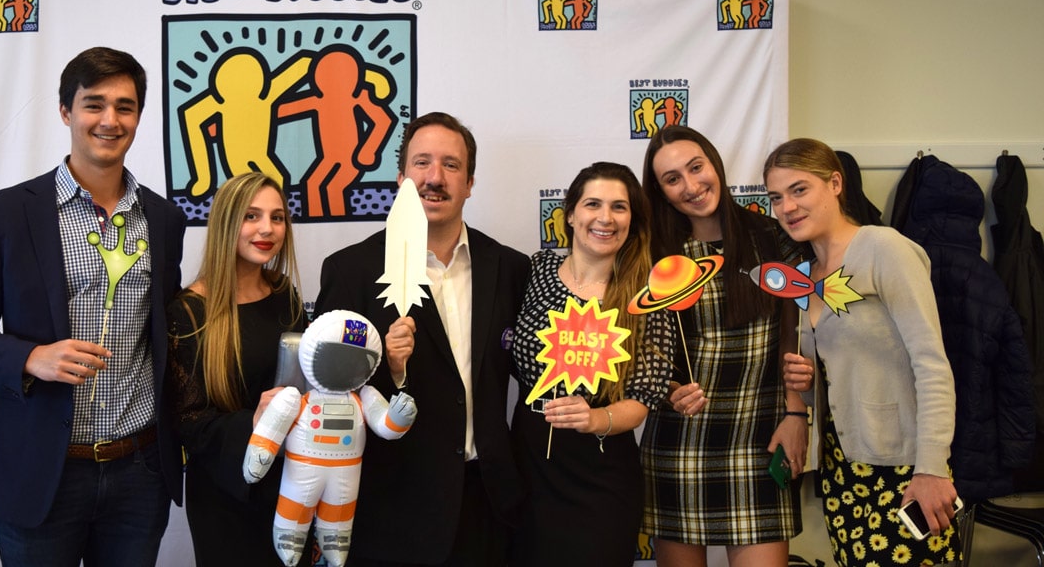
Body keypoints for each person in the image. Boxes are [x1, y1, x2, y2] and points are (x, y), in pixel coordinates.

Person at [0, 47, 187, 565]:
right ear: (65, 111)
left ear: (139, 117)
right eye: (94, 104)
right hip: (41, 472)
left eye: (124, 107)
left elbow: (164, 332)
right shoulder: (6, 214)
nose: (110, 120)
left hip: (138, 471)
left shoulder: (164, 220)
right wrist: (31, 358)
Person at [314, 111, 530, 566]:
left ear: (470, 183)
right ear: (401, 179)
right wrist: (390, 372)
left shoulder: (510, 268)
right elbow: (330, 395)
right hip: (393, 508)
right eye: (422, 163)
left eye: (451, 165)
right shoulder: (351, 270)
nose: (435, 178)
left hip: (486, 504)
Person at [764, 138, 959, 566]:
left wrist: (931, 467)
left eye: (799, 190)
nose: (787, 207)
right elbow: (844, 377)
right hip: (842, 470)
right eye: (776, 197)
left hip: (903, 467)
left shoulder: (882, 248)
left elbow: (931, 364)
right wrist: (807, 384)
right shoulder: (804, 276)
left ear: (835, 184)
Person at [639, 125, 806, 567]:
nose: (691, 185)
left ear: (715, 163)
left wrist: (796, 414)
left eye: (696, 167)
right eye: (672, 179)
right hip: (680, 441)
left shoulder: (771, 236)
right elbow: (640, 346)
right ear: (660, 191)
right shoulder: (653, 253)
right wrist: (668, 389)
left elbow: (797, 334)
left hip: (762, 436)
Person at [509, 162, 674, 566]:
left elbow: (642, 399)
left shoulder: (646, 297)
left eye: (619, 207)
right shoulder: (535, 270)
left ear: (633, 220)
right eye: (593, 204)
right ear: (570, 214)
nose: (605, 217)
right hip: (526, 462)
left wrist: (595, 418)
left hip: (599, 473)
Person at [166, 172, 310, 566]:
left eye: (277, 217)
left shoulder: (285, 294)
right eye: (252, 216)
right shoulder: (188, 312)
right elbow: (188, 422)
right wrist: (255, 422)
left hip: (294, 486)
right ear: (226, 223)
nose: (267, 228)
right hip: (225, 499)